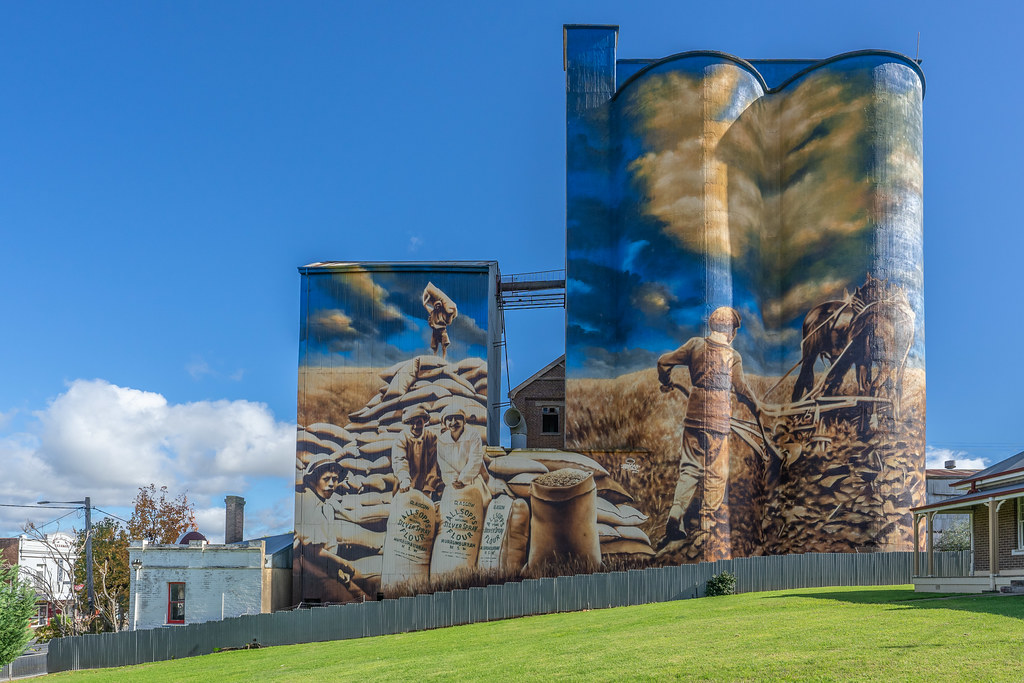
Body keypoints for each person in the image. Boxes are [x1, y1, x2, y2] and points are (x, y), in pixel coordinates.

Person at [656, 306, 761, 560]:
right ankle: (705, 527)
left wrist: (666, 380)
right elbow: (740, 388)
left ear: (712, 326)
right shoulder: (732, 355)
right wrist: (756, 406)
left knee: (690, 469)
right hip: (718, 423)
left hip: (693, 418)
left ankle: (675, 514)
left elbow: (663, 361)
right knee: (716, 474)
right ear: (732, 332)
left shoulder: (694, 345)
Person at [296, 454, 368, 602]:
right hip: (310, 570)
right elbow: (313, 550)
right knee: (349, 602)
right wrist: (345, 565)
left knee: (364, 597)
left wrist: (338, 570)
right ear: (312, 480)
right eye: (326, 479)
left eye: (335, 480)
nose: (331, 484)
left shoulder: (326, 505)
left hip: (327, 568)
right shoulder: (305, 502)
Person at [391, 405, 443, 501]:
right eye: (412, 423)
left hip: (427, 484)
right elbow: (399, 460)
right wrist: (404, 479)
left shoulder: (431, 437)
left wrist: (428, 488)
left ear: (424, 422)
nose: (415, 426)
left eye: (419, 422)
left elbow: (434, 465)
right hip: (406, 483)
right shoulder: (401, 438)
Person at [435, 405, 486, 491]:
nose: (453, 422)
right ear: (444, 423)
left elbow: (475, 459)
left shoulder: (473, 434)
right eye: (449, 419)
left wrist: (463, 479)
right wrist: (453, 479)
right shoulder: (442, 440)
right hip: (453, 482)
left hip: (473, 477)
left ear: (464, 421)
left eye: (458, 418)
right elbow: (443, 463)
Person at [423, 288, 457, 359]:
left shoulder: (444, 313)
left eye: (439, 305)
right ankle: (435, 358)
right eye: (436, 305)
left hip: (442, 331)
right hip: (435, 331)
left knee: (444, 346)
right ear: (434, 306)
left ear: (440, 306)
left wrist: (453, 309)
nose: (437, 306)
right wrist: (427, 298)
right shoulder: (432, 312)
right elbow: (425, 305)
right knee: (435, 348)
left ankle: (443, 359)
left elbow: (449, 317)